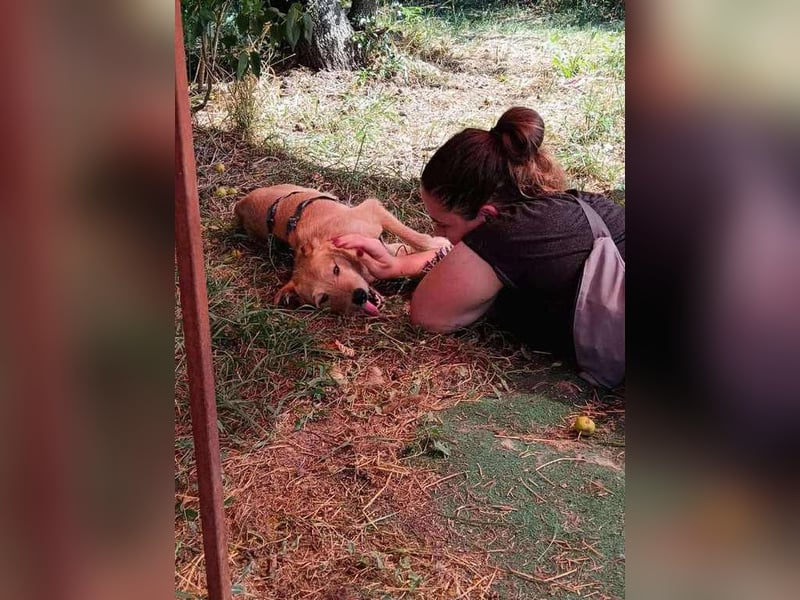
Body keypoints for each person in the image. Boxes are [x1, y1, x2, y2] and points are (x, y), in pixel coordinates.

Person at [333, 106, 624, 364]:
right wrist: (399, 266)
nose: (438, 234)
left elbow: (429, 314)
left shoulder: (509, 233)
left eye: (444, 225)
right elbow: (474, 263)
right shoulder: (574, 206)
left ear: (487, 215)